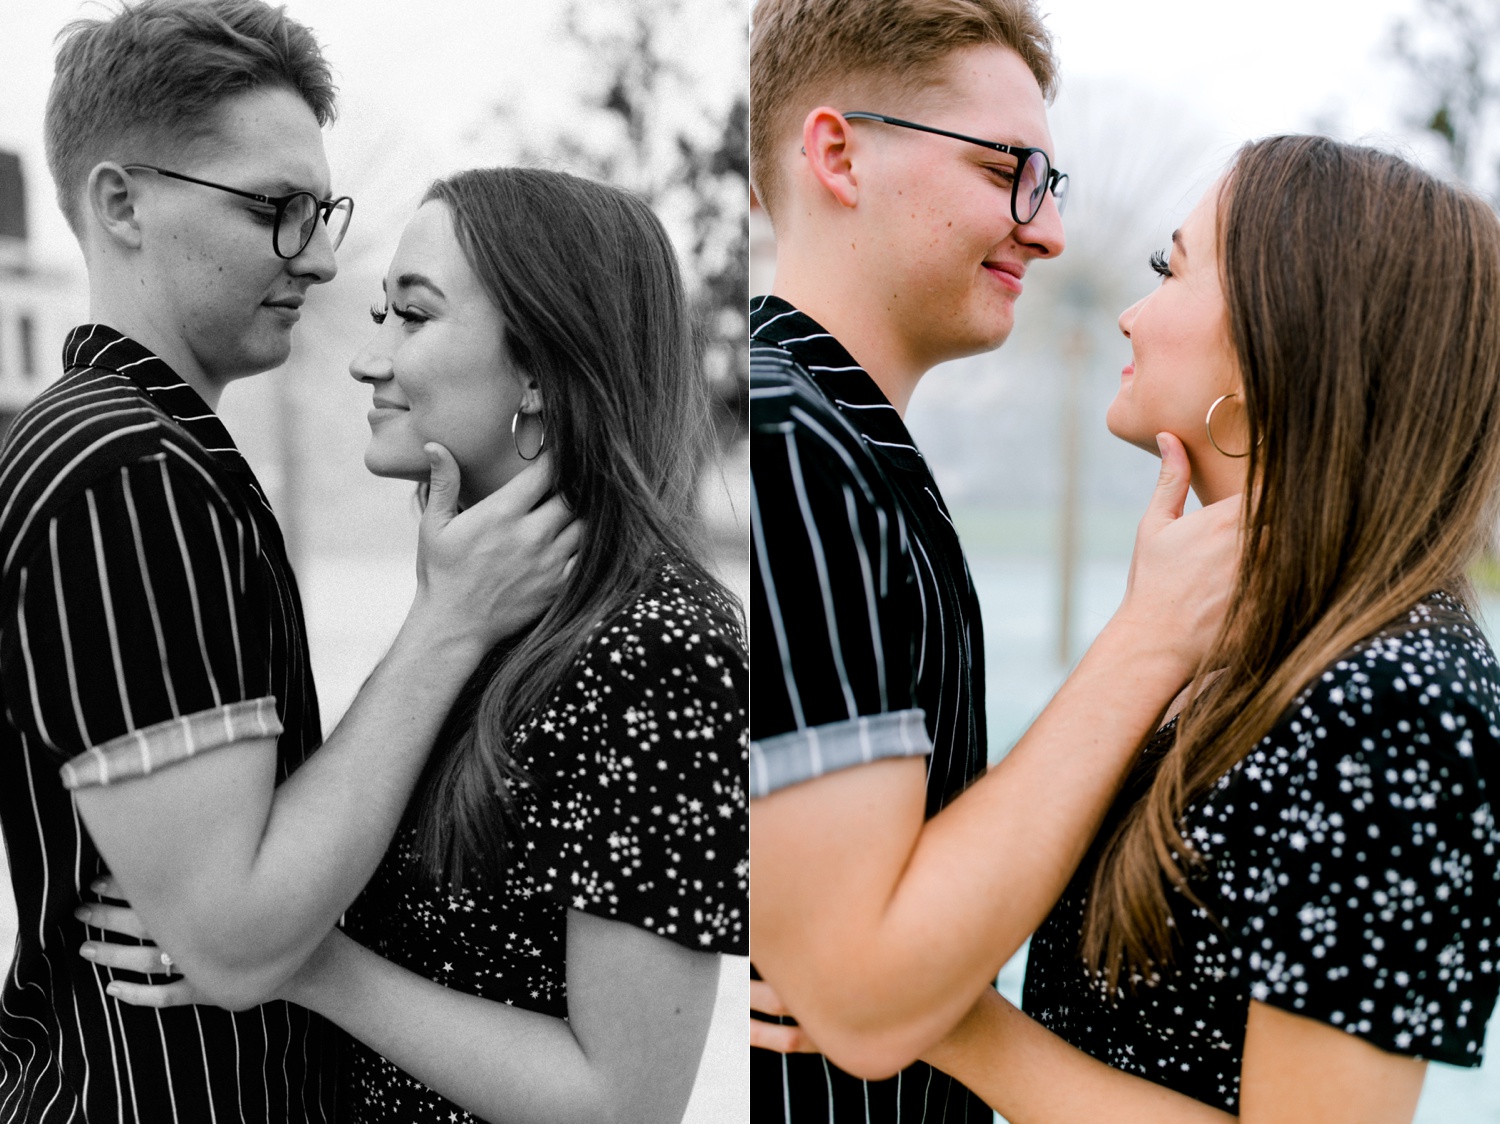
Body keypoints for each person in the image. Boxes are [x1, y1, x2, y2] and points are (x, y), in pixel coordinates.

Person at [766, 134, 1500, 1124]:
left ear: (1287, 332)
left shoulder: (1399, 698)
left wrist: (931, 1014)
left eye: (1173, 268)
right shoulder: (1257, 638)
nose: (1130, 309)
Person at [79, 167, 749, 1124]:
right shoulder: (485, 600)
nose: (367, 359)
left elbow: (624, 1102)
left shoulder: (661, 645)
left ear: (539, 371)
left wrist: (303, 964)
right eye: (382, 314)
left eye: (413, 317)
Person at [0, 3, 574, 1120]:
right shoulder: (127, 471)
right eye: (278, 211)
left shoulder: (141, 448)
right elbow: (236, 939)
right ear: (121, 202)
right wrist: (447, 620)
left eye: (321, 210)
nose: (315, 257)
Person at [747, 0, 1240, 1120]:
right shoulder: (791, 439)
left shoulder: (848, 450)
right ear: (838, 152)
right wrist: (1153, 633)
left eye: (1047, 185)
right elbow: (863, 991)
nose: (1049, 229)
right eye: (1005, 171)